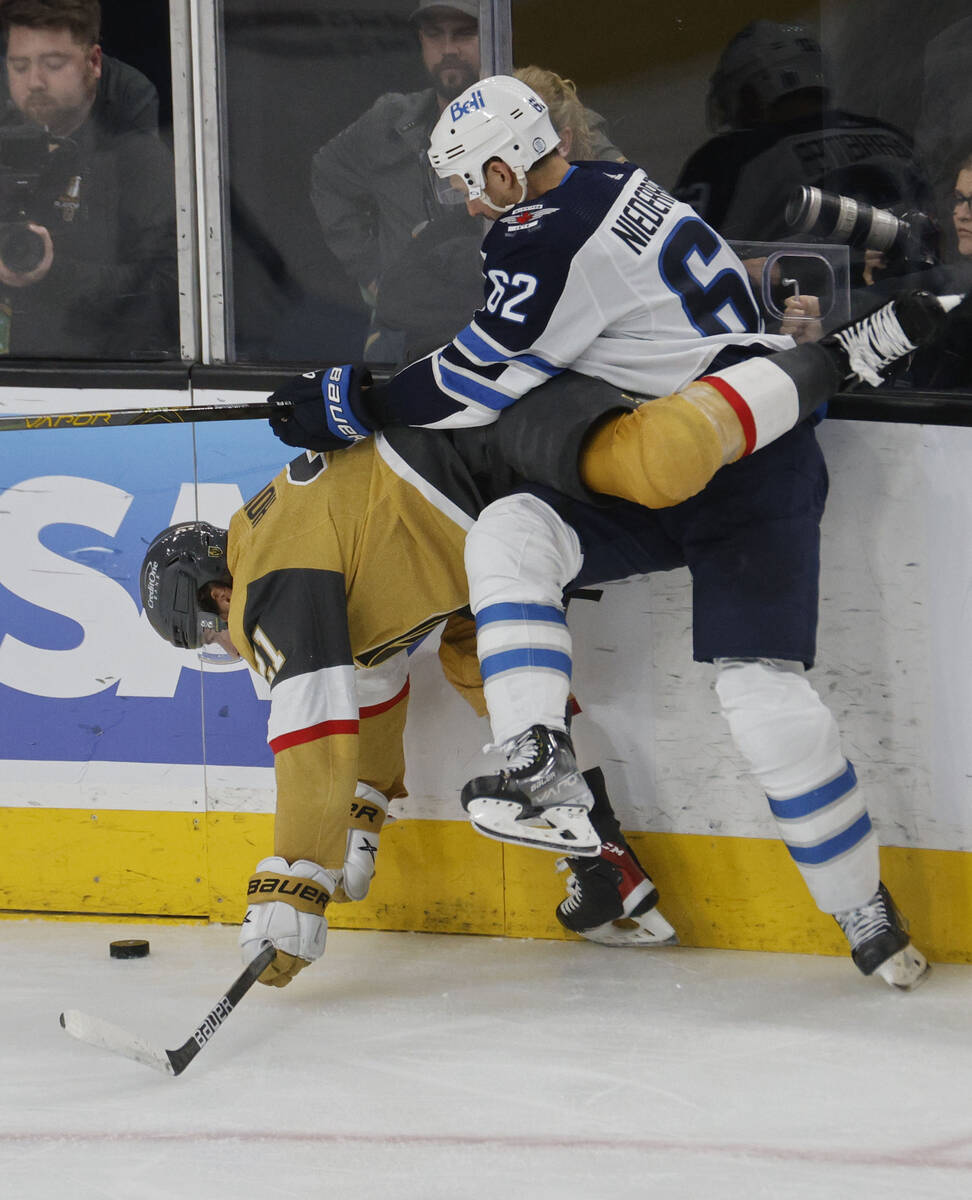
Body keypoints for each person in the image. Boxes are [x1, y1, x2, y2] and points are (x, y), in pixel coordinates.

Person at [268, 75, 955, 990]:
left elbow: (480, 381)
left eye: (477, 181)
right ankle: (537, 758)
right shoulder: (606, 185)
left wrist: (359, 403)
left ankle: (862, 911)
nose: (471, 202)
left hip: (753, 463)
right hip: (661, 450)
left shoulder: (549, 234)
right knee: (512, 531)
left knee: (761, 701)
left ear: (511, 167)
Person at [310, 1, 621, 362]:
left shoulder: (544, 115)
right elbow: (326, 175)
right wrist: (371, 273)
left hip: (523, 329)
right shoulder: (389, 121)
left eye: (463, 33)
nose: (448, 50)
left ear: (495, 38)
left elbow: (618, 195)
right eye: (434, 35)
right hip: (410, 334)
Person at [674, 20, 938, 291]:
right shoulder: (892, 135)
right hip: (920, 291)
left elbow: (682, 259)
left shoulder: (730, 157)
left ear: (753, 93)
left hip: (816, 310)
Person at [0, 0, 177, 358]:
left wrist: (54, 271)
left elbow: (168, 292)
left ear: (94, 62)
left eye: (53, 64)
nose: (34, 82)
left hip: (101, 373)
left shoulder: (137, 160)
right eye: (19, 66)